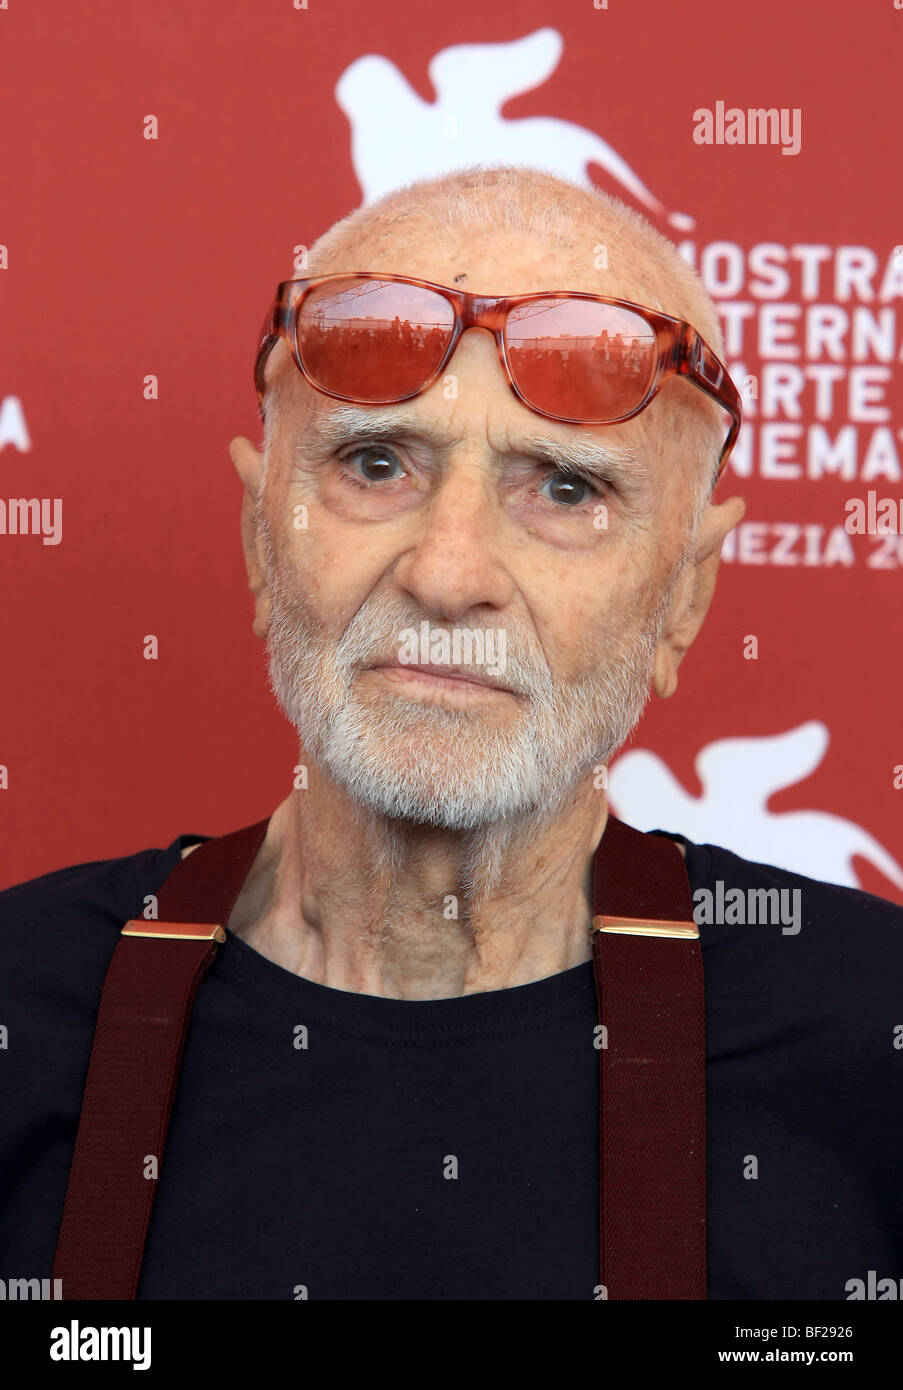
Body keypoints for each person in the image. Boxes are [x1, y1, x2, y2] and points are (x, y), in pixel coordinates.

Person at [2, 165, 900, 1301]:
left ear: (684, 597)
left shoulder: (875, 1038)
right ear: (258, 539)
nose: (448, 571)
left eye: (566, 491)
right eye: (375, 464)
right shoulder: (20, 1006)